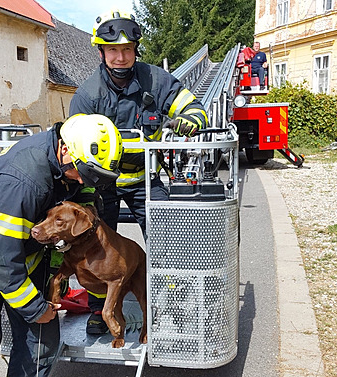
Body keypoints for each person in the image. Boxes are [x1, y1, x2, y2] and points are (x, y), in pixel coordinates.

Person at [0, 114, 123, 377]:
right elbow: (3, 256)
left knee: (40, 347)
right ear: (65, 149)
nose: (85, 181)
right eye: (85, 173)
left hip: (22, 258)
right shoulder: (22, 181)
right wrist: (34, 309)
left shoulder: (66, 164)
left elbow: (78, 192)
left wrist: (87, 209)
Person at [68, 9, 209, 334]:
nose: (121, 57)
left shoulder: (155, 80)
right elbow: (73, 141)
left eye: (127, 50)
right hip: (103, 185)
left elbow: (192, 107)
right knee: (95, 246)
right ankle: (98, 309)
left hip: (145, 180)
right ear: (101, 51)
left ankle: (173, 303)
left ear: (136, 50)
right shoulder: (88, 95)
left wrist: (190, 120)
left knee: (167, 239)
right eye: (113, 50)